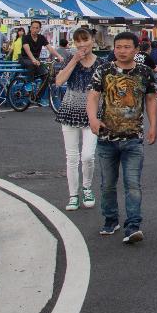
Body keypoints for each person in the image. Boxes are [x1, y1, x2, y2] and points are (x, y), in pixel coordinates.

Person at [87, 32, 157, 244]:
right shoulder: (104, 69)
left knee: (133, 184)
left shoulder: (144, 72)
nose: (122, 50)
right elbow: (93, 95)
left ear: (136, 50)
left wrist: (153, 126)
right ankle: (110, 219)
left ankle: (133, 225)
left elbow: (151, 99)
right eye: (118, 47)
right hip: (106, 137)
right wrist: (92, 118)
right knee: (107, 184)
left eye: (127, 47)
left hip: (133, 138)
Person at [53, 28, 101, 212]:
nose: (81, 44)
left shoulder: (102, 63)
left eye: (85, 40)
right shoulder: (70, 60)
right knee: (72, 157)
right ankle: (73, 195)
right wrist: (74, 60)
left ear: (92, 40)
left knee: (88, 155)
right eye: (77, 41)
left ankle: (87, 187)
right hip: (70, 110)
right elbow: (59, 81)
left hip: (92, 114)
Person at [20, 20, 54, 101]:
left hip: (36, 60)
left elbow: (50, 48)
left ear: (39, 29)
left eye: (37, 28)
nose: (35, 29)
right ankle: (29, 84)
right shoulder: (25, 37)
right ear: (30, 28)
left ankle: (38, 96)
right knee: (31, 64)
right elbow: (27, 50)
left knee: (46, 76)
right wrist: (33, 59)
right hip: (25, 58)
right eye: (33, 27)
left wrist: (59, 56)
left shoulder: (41, 37)